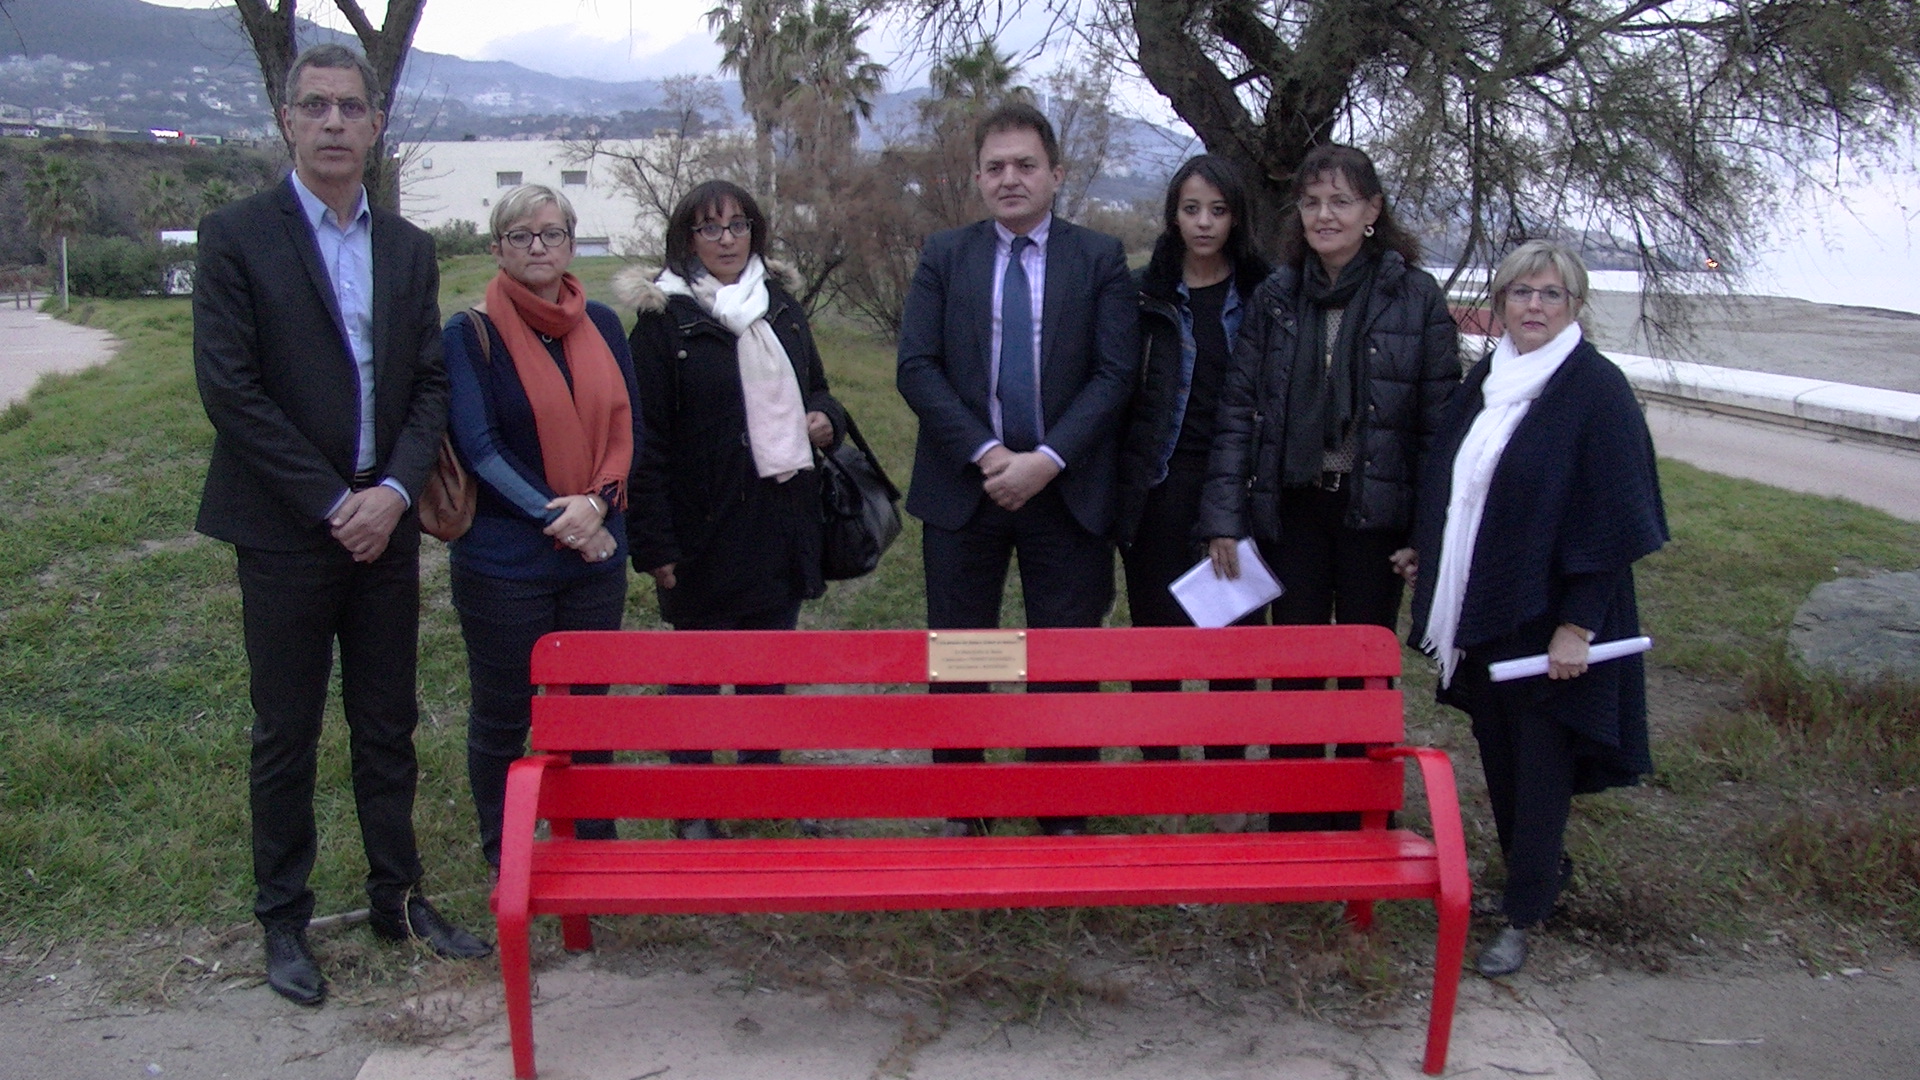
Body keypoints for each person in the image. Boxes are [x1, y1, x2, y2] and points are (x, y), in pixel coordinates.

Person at [192, 43, 488, 1009]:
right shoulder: (236, 235)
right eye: (313, 106)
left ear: (373, 124)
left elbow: (430, 383)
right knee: (286, 729)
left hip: (387, 520)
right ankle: (282, 919)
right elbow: (230, 391)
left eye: (349, 107)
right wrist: (332, 504)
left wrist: (394, 495)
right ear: (287, 120)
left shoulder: (404, 247)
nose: (331, 122)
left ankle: (397, 899)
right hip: (286, 528)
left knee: (386, 722)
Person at [1404, 239, 1667, 977]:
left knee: (1543, 764)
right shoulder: (1492, 376)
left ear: (1575, 306)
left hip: (1551, 618)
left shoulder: (1595, 390)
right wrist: (1429, 548)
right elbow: (1455, 480)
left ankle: (1524, 911)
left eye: (1551, 295)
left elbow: (1616, 520)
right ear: (1500, 303)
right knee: (1501, 752)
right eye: (1521, 292)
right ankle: (1534, 875)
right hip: (1487, 607)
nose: (1534, 307)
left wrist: (1577, 626)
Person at [1198, 143, 1459, 829]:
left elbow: (1438, 430)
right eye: (1312, 202)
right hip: (1294, 507)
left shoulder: (1416, 297)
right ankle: (1295, 804)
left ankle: (1359, 804)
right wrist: (1224, 516)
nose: (1324, 214)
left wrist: (1424, 536)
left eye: (1340, 200)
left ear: (1372, 211)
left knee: (1365, 664)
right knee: (1299, 658)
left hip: (1377, 512)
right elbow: (1237, 412)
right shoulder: (1279, 297)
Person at [896, 102, 1137, 837]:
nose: (1010, 179)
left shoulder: (1099, 258)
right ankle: (963, 804)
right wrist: (992, 455)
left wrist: (1047, 460)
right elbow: (917, 367)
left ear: (1056, 175)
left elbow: (1115, 373)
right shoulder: (946, 254)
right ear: (976, 178)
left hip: (1066, 492)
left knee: (1062, 653)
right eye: (995, 167)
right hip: (967, 488)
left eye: (1025, 165)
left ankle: (1060, 806)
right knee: (965, 648)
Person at [619, 180, 845, 841]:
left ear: (755, 233)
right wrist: (656, 545)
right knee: (697, 677)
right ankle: (695, 804)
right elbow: (645, 442)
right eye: (709, 228)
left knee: (766, 668)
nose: (725, 239)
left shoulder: (782, 307)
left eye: (737, 225)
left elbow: (823, 389)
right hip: (701, 531)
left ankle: (762, 783)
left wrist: (826, 417)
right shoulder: (663, 322)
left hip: (779, 521)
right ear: (685, 239)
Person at [442, 184, 640, 872]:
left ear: (570, 243)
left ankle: (592, 851)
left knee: (588, 716)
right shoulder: (470, 334)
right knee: (503, 718)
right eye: (521, 236)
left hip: (594, 558)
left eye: (551, 234)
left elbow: (626, 428)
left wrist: (600, 505)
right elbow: (480, 447)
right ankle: (509, 857)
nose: (538, 248)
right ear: (497, 248)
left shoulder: (606, 326)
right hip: (505, 563)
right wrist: (567, 518)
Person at [1117, 155, 1271, 790]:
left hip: (1235, 487)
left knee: (1230, 637)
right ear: (1173, 215)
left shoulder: (1265, 294)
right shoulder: (1142, 291)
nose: (1204, 223)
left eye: (1218, 210)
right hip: (1157, 485)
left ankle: (1225, 778)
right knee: (1156, 635)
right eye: (1191, 209)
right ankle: (1162, 778)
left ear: (1236, 217)